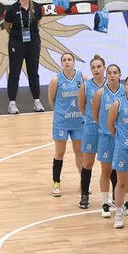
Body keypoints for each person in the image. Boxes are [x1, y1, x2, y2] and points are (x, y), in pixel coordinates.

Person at [4, 0, 44, 114]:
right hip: (17, 42)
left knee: (33, 72)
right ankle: (12, 103)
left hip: (32, 42)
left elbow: (38, 23)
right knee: (14, 72)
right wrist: (16, 37)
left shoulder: (37, 7)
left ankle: (37, 101)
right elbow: (7, 26)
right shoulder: (12, 9)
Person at [49, 52, 85, 197]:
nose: (67, 62)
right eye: (64, 60)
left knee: (79, 152)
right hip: (62, 122)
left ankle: (84, 182)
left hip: (78, 121)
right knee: (60, 152)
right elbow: (51, 101)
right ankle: (56, 182)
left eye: (69, 59)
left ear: (74, 62)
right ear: (61, 63)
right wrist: (61, 113)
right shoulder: (56, 80)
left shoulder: (82, 77)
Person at [92, 64, 125, 218]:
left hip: (122, 138)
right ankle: (105, 203)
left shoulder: (126, 91)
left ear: (119, 75)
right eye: (110, 73)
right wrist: (105, 129)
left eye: (115, 73)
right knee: (105, 171)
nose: (112, 75)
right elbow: (95, 114)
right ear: (106, 75)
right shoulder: (100, 93)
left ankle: (125, 201)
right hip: (106, 137)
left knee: (123, 173)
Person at [107, 74, 128, 228]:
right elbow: (110, 124)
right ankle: (118, 213)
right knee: (121, 181)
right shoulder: (118, 104)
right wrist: (120, 139)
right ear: (124, 87)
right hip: (123, 147)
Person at [78, 55, 106, 209]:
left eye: (99, 67)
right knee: (88, 163)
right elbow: (81, 106)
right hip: (91, 127)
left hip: (107, 129)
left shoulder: (111, 85)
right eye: (93, 67)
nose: (96, 70)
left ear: (104, 68)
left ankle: (115, 195)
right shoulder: (86, 86)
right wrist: (91, 119)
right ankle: (84, 195)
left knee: (108, 164)